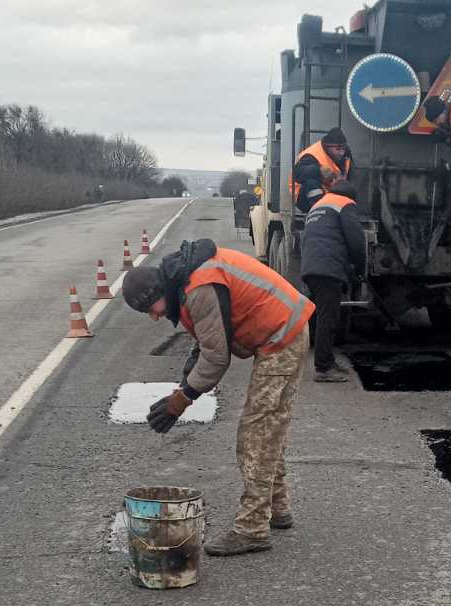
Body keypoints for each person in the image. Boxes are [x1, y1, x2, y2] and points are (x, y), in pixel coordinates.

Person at [122, 239, 315, 556]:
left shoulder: (198, 287)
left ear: (157, 294)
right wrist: (186, 380)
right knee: (270, 427)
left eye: (149, 310)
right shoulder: (184, 278)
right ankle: (277, 507)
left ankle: (252, 528)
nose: (154, 317)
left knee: (256, 434)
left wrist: (181, 400)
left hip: (281, 335)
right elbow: (209, 337)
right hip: (283, 329)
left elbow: (216, 358)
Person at [300, 179, 366, 383]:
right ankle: (323, 368)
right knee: (328, 318)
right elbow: (356, 240)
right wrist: (360, 268)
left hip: (312, 267)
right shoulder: (345, 204)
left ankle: (326, 359)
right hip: (328, 269)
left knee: (321, 315)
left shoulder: (319, 205)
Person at [291, 127, 353, 214]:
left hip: (329, 195)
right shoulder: (311, 155)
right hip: (304, 198)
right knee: (311, 183)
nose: (341, 153)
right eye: (338, 149)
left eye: (343, 149)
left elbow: (350, 177)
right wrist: (318, 170)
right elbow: (296, 174)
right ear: (328, 147)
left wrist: (342, 183)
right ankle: (321, 211)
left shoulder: (346, 154)